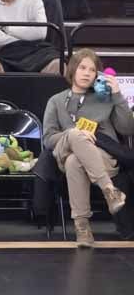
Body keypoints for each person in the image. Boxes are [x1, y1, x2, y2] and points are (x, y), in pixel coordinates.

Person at [44, 49, 133, 246]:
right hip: (64, 150)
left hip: (102, 157)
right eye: (82, 67)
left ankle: (82, 228)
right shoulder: (56, 101)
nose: (86, 73)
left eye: (92, 70)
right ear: (73, 70)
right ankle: (110, 191)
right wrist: (72, 135)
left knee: (75, 162)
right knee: (76, 134)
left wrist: (118, 94)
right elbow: (48, 139)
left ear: (97, 75)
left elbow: (127, 128)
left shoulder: (107, 99)